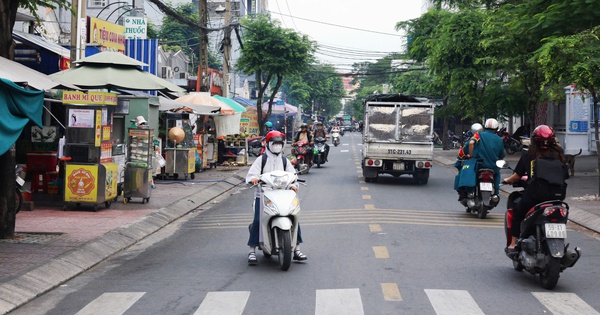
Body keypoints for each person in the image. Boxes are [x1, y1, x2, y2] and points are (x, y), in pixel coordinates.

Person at [503, 125, 568, 252]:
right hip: (558, 195)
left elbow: (517, 176)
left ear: (534, 139)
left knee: (517, 212)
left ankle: (513, 243)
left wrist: (507, 180)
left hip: (536, 195)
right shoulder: (559, 153)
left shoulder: (529, 154)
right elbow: (565, 175)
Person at [246, 131, 307, 264]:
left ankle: (297, 249)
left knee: (293, 217)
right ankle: (252, 251)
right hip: (263, 195)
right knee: (258, 220)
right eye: (275, 143)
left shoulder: (285, 161)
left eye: (280, 143)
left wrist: (294, 185)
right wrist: (254, 179)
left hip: (283, 195)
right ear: (268, 144)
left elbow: (293, 176)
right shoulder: (261, 160)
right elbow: (251, 175)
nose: (277, 146)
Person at [468, 118, 505, 198]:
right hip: (492, 166)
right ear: (496, 128)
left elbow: (471, 143)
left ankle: (471, 192)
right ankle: (496, 193)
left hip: (479, 165)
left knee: (472, 172)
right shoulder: (499, 139)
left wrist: (471, 156)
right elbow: (502, 155)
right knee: (497, 173)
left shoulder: (479, 135)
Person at [456, 123, 484, 203]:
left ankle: (467, 192)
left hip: (474, 163)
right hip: (487, 163)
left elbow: (462, 153)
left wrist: (470, 156)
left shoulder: (473, 139)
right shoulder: (487, 139)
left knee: (462, 173)